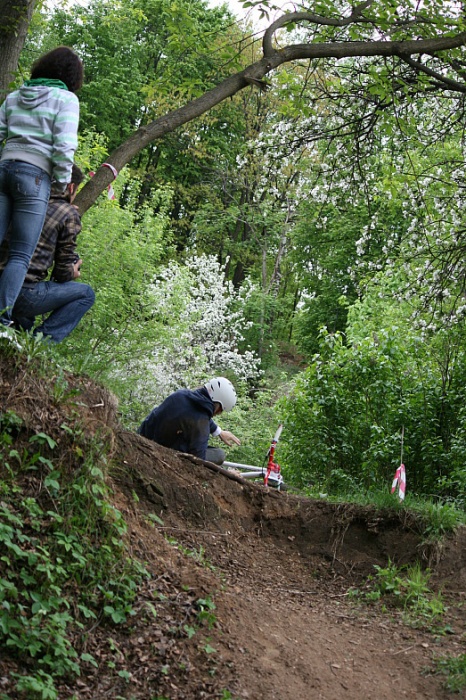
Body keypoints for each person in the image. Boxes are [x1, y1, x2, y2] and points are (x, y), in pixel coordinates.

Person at [0, 46, 83, 328]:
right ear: (73, 77)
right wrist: (60, 181)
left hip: (4, 168)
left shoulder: (14, 97)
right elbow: (64, 146)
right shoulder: (66, 99)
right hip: (35, 176)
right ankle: (1, 320)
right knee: (20, 255)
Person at [0, 165, 95, 342]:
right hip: (22, 294)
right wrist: (73, 271)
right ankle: (39, 344)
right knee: (86, 294)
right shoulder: (67, 213)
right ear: (71, 187)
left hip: (2, 285)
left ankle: (17, 336)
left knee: (29, 306)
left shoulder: (20, 199)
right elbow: (61, 273)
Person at [137, 377, 241, 465]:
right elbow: (198, 461)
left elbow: (195, 414)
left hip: (143, 436)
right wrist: (226, 474)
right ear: (218, 407)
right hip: (165, 453)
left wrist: (219, 432)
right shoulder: (201, 425)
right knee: (219, 454)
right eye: (220, 411)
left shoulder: (180, 395)